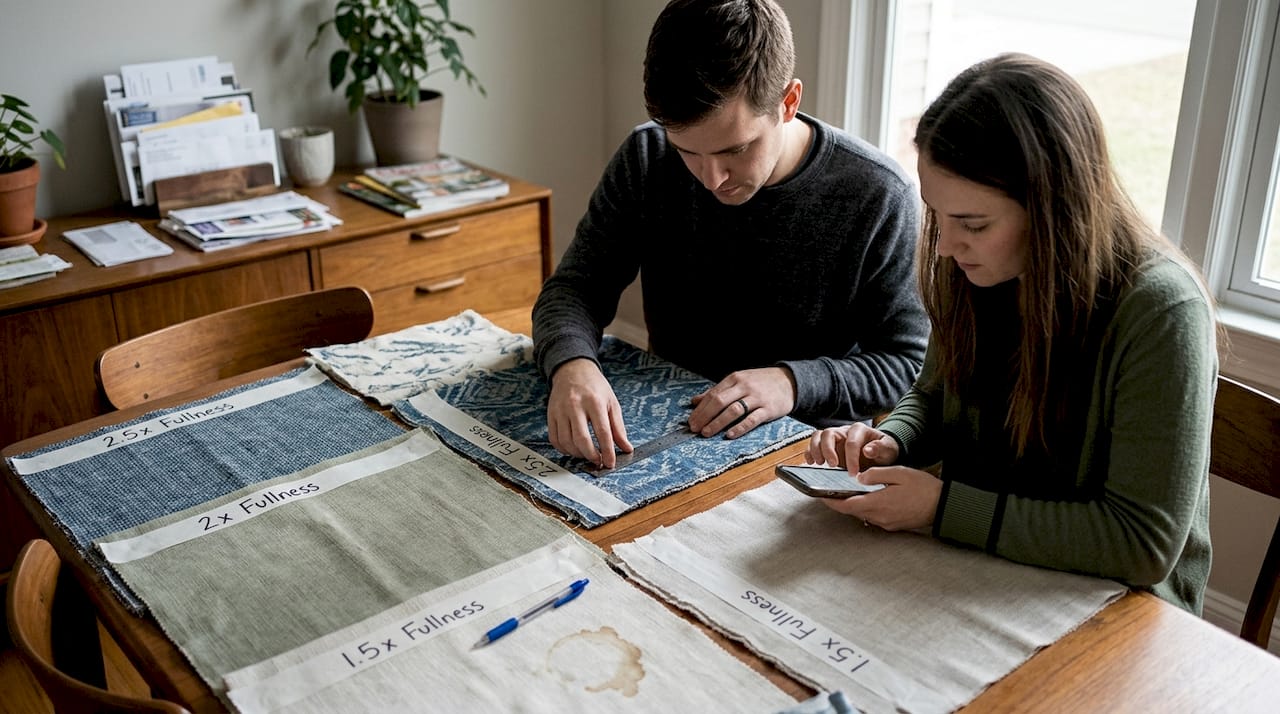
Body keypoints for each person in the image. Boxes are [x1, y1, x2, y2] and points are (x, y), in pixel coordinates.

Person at [805, 53, 1219, 614]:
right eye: (938, 215)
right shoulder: (978, 267)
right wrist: (893, 440)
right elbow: (934, 394)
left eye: (973, 224)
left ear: (1053, 208)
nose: (947, 246)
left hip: (1123, 613)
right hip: (988, 568)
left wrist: (940, 509)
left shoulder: (1161, 313)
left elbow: (1142, 544)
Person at [532, 0, 929, 468]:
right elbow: (575, 288)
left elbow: (905, 364)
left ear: (788, 102)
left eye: (734, 150)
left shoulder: (880, 193)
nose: (711, 177)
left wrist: (791, 382)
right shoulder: (646, 156)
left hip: (804, 445)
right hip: (665, 420)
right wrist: (572, 365)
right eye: (688, 152)